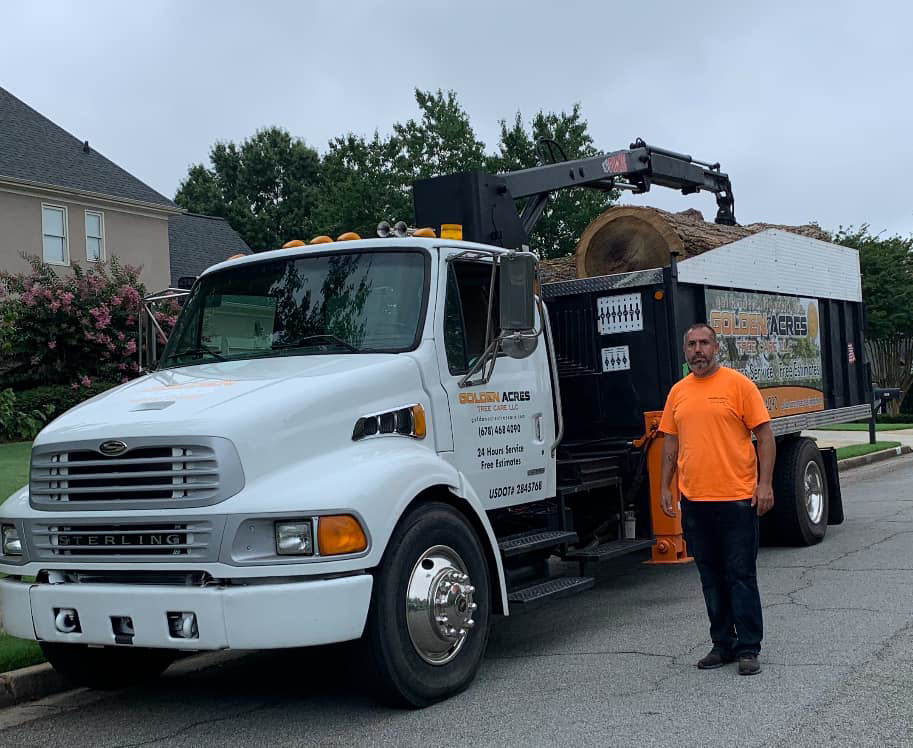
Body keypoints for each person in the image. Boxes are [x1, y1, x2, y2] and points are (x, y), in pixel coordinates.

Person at [658, 323, 775, 676]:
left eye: (704, 343)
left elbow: (765, 437)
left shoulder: (739, 386)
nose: (698, 350)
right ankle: (722, 644)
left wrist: (764, 485)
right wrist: (665, 487)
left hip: (738, 499)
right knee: (710, 577)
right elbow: (670, 444)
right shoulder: (678, 393)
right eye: (691, 344)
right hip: (696, 502)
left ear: (716, 348)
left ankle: (748, 648)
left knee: (740, 575)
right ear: (685, 351)